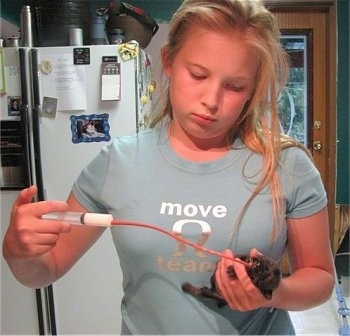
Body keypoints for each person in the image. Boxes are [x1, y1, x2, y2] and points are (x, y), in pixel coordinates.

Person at [3, 0, 334, 334]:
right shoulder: (117, 163)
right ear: (169, 62)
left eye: (235, 86)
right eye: (198, 75)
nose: (212, 100)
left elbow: (319, 278)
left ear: (252, 90)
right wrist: (19, 253)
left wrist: (274, 293)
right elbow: (45, 270)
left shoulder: (287, 165)